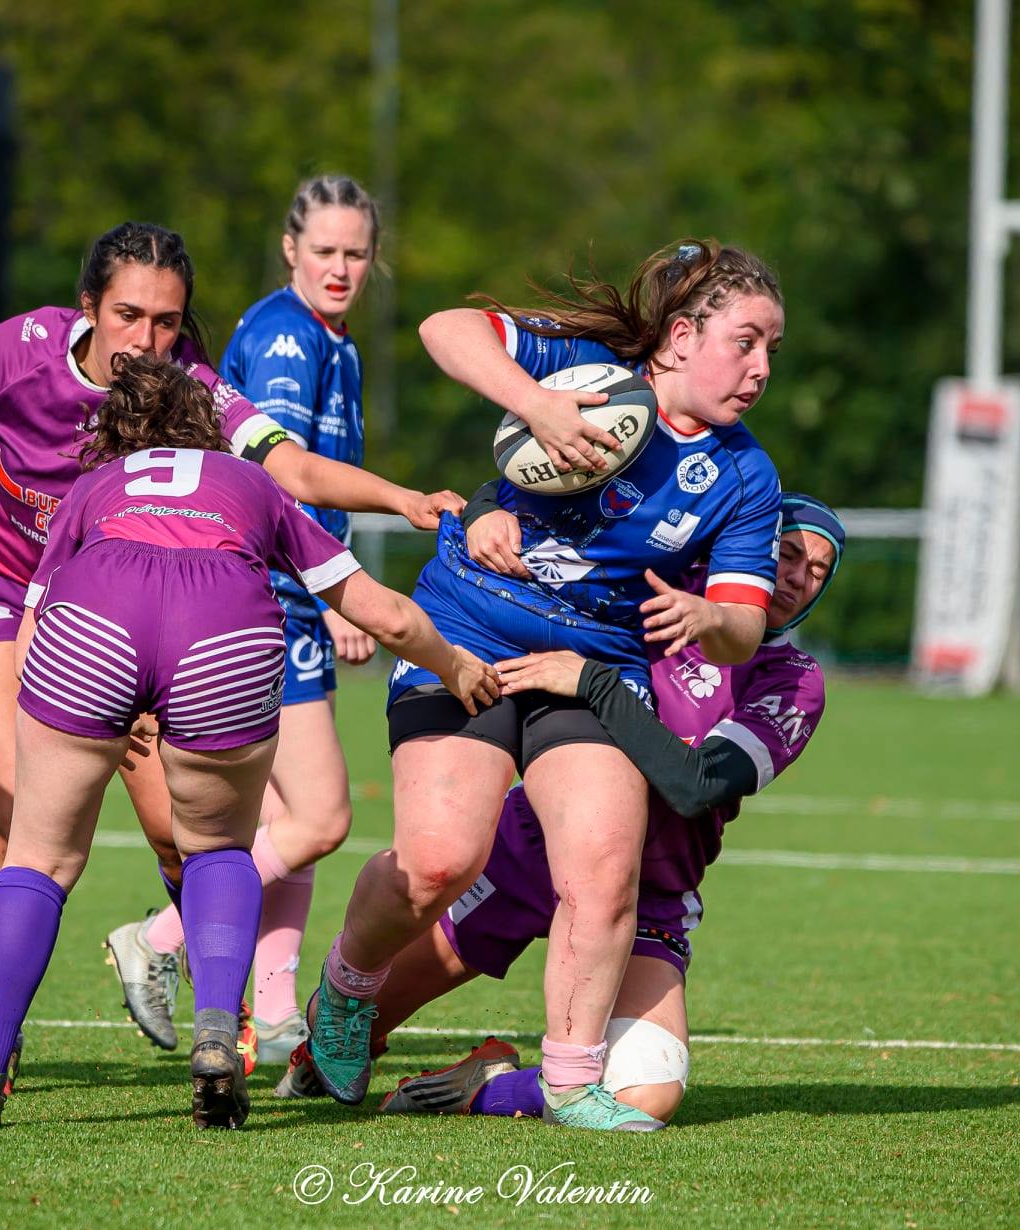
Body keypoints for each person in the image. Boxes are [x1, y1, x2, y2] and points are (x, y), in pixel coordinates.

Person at [0, 221, 460, 1088]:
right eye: (128, 315)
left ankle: (210, 1023)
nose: (146, 340)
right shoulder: (18, 350)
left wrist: (400, 498)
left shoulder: (190, 385)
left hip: (117, 609)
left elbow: (292, 470)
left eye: (166, 321)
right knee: (22, 812)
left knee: (179, 830)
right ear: (88, 308)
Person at [0, 353, 497, 1131]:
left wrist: (98, 704)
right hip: (220, 628)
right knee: (218, 850)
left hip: (90, 626)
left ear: (118, 432)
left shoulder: (92, 488)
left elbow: (34, 629)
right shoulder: (254, 485)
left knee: (37, 858)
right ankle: (214, 1039)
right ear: (211, 428)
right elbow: (387, 615)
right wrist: (457, 665)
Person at [307, 240, 787, 1131]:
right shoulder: (592, 370)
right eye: (745, 341)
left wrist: (703, 615)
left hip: (592, 665)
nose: (760, 369)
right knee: (441, 860)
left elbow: (748, 622)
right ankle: (345, 988)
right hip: (467, 630)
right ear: (681, 337)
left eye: (771, 351)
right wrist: (541, 407)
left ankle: (570, 1081)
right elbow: (444, 328)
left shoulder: (746, 474)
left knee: (602, 874)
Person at [279, 494, 845, 1125]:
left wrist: (596, 684)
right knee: (358, 1017)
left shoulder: (792, 680)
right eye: (788, 555)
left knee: (647, 1098)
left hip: (651, 893)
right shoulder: (653, 595)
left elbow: (697, 786)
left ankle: (487, 1085)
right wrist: (482, 509)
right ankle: (309, 1042)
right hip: (528, 856)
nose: (798, 577)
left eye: (818, 571)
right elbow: (546, 493)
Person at [105, 174, 381, 1062]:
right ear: (290, 249)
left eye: (357, 253)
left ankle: (274, 1008)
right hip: (274, 597)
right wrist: (335, 593)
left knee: (288, 823)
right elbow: (279, 481)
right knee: (321, 817)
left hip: (293, 597)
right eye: (326, 251)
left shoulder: (334, 342)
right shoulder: (286, 340)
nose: (341, 268)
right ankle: (155, 940)